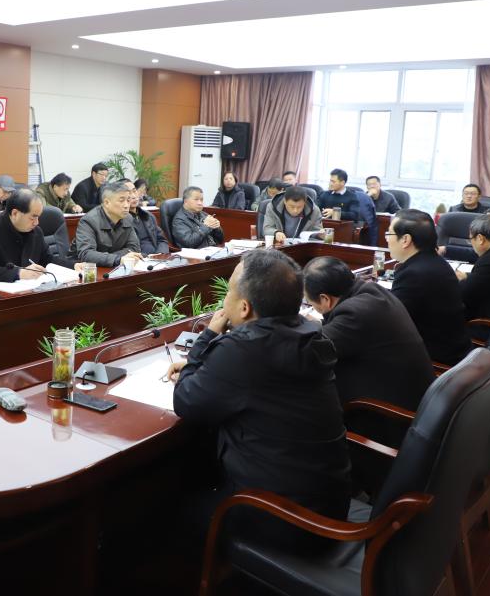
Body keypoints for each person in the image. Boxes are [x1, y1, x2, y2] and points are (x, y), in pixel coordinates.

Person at [167, 248, 350, 554]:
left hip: (283, 518)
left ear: (244, 307)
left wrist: (207, 338)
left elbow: (186, 400)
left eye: (229, 292)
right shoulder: (311, 334)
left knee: (169, 507)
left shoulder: (244, 351)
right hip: (328, 503)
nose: (224, 299)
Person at [302, 256, 435, 428]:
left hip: (392, 418)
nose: (313, 307)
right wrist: (318, 323)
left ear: (325, 299)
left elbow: (310, 351)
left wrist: (299, 324)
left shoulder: (353, 314)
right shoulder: (372, 291)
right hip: (418, 402)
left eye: (311, 303)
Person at [386, 209, 472, 366]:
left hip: (435, 356)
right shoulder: (434, 262)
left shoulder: (414, 273)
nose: (387, 239)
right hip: (453, 346)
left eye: (389, 234)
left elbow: (391, 320)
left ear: (405, 240)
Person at [0, 189, 77, 283]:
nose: (37, 223)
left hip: (29, 291)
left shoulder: (36, 232)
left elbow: (47, 259)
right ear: (15, 213)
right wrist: (19, 273)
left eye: (38, 217)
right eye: (33, 217)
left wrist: (73, 266)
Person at [74, 182, 142, 266]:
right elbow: (86, 254)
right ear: (106, 202)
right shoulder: (89, 221)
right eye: (121, 200)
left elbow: (134, 248)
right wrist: (117, 259)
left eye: (128, 200)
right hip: (81, 268)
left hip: (113, 266)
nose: (126, 205)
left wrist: (115, 258)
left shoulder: (128, 218)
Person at [122, 180, 168, 255]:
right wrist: (147, 257)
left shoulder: (148, 216)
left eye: (134, 191)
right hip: (138, 258)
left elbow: (162, 240)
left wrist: (160, 254)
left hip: (157, 258)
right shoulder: (120, 220)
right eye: (128, 193)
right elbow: (127, 249)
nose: (133, 196)